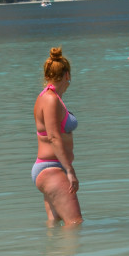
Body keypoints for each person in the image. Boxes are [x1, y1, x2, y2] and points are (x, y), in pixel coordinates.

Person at [32, 46, 82, 226]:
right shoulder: (50, 99)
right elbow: (53, 137)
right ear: (67, 75)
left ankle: (51, 246)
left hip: (49, 168)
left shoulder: (50, 97)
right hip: (51, 169)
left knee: (54, 223)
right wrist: (70, 171)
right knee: (75, 223)